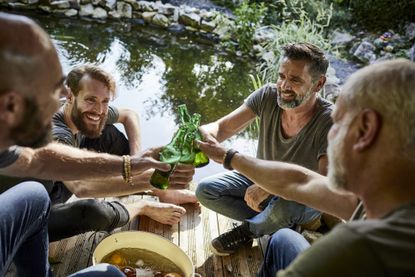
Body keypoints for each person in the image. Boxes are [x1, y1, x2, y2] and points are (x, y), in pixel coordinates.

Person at [197, 59, 415, 276]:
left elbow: (312, 181)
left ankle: (265, 224)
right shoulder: (380, 201)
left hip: (298, 208)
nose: (332, 134)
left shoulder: (355, 247)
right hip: (273, 192)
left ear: (367, 128)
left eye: (339, 123)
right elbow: (302, 181)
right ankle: (273, 221)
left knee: (289, 219)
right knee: (283, 238)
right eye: (282, 76)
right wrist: (229, 157)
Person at [0, 12, 166, 276]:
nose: (58, 98)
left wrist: (136, 163)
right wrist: (150, 180)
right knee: (89, 216)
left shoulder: (10, 144)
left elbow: (39, 160)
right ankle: (140, 204)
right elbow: (82, 186)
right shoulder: (55, 130)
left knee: (35, 193)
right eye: (52, 90)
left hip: (34, 206)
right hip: (28, 222)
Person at [196, 42, 333, 255]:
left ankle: (248, 231)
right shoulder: (267, 95)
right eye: (282, 76)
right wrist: (205, 134)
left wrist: (269, 188)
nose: (284, 86)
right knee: (206, 190)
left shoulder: (330, 121)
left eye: (295, 79)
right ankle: (274, 222)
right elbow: (221, 128)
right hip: (260, 180)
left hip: (302, 197)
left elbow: (322, 184)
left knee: (288, 206)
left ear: (318, 84)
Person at [45, 64, 197, 241]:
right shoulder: (56, 134)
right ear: (70, 95)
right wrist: (153, 178)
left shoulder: (78, 110)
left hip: (60, 179)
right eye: (90, 100)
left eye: (105, 101)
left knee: (107, 132)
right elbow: (81, 187)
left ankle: (163, 193)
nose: (99, 110)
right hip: (27, 218)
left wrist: (136, 162)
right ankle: (142, 207)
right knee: (96, 212)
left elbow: (129, 115)